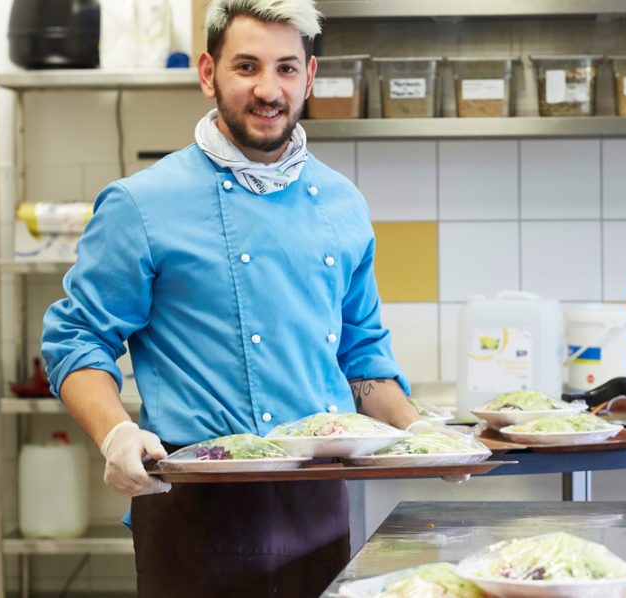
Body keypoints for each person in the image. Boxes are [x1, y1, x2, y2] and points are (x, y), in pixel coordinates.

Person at [41, 1, 428, 595]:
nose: (268, 89)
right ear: (207, 73)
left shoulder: (341, 202)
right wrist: (116, 432)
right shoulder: (141, 203)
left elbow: (361, 356)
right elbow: (76, 338)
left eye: (286, 69)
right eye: (246, 66)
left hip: (317, 502)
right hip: (195, 505)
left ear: (309, 77)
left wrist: (423, 436)